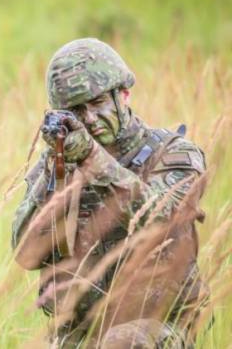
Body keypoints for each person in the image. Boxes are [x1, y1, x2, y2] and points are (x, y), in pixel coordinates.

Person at [11, 38, 208, 348]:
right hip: (79, 334)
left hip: (159, 329)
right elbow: (26, 254)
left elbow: (161, 219)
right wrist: (58, 173)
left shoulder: (174, 156)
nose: (89, 118)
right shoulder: (58, 165)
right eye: (77, 110)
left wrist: (92, 159)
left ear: (124, 94)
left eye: (98, 102)